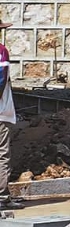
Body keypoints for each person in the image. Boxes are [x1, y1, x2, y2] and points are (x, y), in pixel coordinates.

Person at [0, 22, 23, 210]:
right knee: (2, 155)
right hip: (1, 113)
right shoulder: (1, 51)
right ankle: (2, 198)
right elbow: (1, 76)